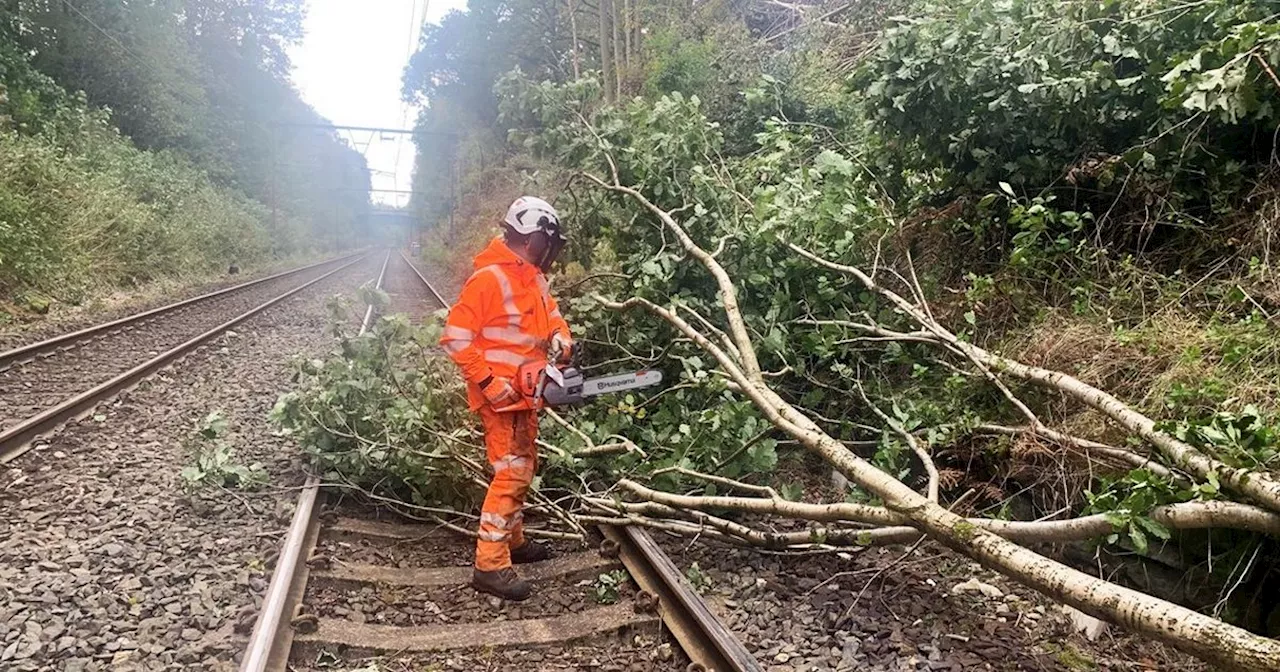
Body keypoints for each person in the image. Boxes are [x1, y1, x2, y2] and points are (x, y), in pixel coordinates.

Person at [439, 196, 573, 601]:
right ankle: (490, 563)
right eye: (548, 242)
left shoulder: (533, 278)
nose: (550, 251)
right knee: (512, 472)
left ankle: (513, 540)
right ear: (535, 238)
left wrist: (561, 338)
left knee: (523, 465)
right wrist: (487, 382)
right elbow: (456, 339)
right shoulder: (489, 279)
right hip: (500, 393)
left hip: (525, 392)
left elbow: (550, 315)